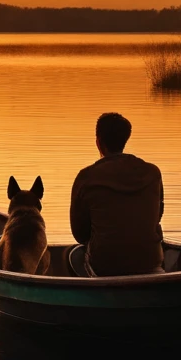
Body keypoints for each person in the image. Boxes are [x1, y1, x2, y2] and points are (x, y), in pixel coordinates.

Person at [69, 112, 164, 276]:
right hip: (150, 260)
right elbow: (157, 216)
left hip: (105, 264)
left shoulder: (86, 177)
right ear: (125, 140)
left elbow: (80, 234)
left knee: (74, 255)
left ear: (99, 142)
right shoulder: (152, 173)